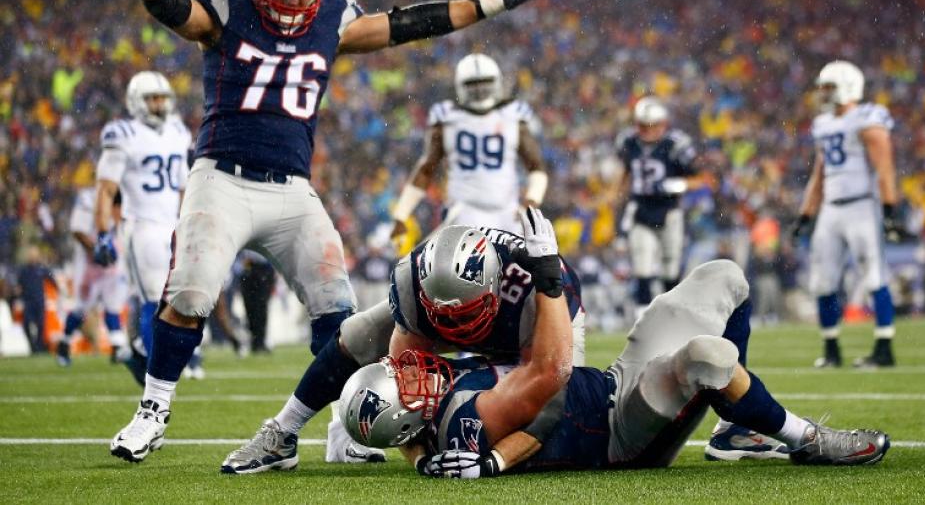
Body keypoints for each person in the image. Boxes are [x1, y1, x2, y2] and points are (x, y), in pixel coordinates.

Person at [112, 0, 553, 464]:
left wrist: (497, 1)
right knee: (191, 293)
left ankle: (339, 433)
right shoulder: (228, 8)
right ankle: (153, 409)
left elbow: (414, 22)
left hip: (292, 188)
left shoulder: (333, 19)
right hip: (221, 175)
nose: (296, 5)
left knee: (337, 310)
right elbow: (168, 6)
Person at [339, 260, 890, 477]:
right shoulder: (462, 418)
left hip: (611, 381)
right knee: (707, 357)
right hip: (622, 433)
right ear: (412, 421)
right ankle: (808, 439)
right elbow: (548, 401)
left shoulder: (432, 423)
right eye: (406, 388)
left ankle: (736, 427)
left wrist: (415, 458)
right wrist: (492, 464)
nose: (415, 374)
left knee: (725, 277)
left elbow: (412, 432)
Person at [221, 208, 583, 474]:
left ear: (495, 289)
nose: (452, 326)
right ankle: (283, 431)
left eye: (463, 314)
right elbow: (404, 388)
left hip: (528, 331)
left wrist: (493, 458)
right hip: (470, 309)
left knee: (560, 400)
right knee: (360, 334)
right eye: (441, 313)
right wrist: (420, 456)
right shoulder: (411, 280)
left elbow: (552, 377)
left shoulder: (540, 286)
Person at [792, 61, 901, 368]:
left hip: (862, 206)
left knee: (874, 276)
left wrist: (890, 209)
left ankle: (884, 348)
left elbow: (884, 166)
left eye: (828, 87)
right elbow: (820, 173)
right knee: (822, 281)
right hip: (831, 209)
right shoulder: (823, 123)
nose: (823, 94)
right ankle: (831, 349)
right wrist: (805, 214)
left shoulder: (867, 117)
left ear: (847, 86)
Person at [93, 70, 191, 388]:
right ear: (137, 102)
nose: (159, 105)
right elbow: (106, 189)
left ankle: (139, 352)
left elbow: (183, 186)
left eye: (162, 98)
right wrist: (103, 232)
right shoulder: (123, 134)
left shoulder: (178, 131)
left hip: (172, 224)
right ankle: (154, 373)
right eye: (152, 99)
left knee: (174, 299)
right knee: (153, 299)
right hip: (142, 225)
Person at [390, 53, 547, 238]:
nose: (480, 91)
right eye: (473, 85)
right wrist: (401, 214)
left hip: (505, 214)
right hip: (465, 210)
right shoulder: (448, 118)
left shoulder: (511, 115)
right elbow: (426, 170)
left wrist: (530, 202)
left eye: (484, 83)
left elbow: (536, 166)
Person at [613, 96, 705, 311]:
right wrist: (618, 198)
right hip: (641, 211)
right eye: (642, 126)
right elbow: (626, 173)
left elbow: (703, 178)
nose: (645, 131)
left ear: (663, 124)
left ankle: (670, 318)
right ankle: (642, 321)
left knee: (670, 271)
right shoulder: (628, 142)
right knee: (642, 267)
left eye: (651, 126)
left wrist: (679, 184)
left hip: (669, 212)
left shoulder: (676, 145)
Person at [56, 187, 129, 366]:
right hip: (88, 264)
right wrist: (95, 248)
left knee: (113, 306)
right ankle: (64, 343)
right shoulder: (89, 198)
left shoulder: (125, 193)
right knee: (82, 308)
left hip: (111, 264)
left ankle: (117, 347)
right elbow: (77, 230)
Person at [14, 246, 54, 354]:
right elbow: (18, 286)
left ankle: (39, 346)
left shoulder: (41, 268)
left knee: (41, 324)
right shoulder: (23, 270)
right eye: (30, 254)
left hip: (39, 301)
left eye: (34, 254)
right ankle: (32, 345)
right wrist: (18, 294)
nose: (32, 256)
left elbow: (52, 279)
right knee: (26, 324)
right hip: (28, 301)